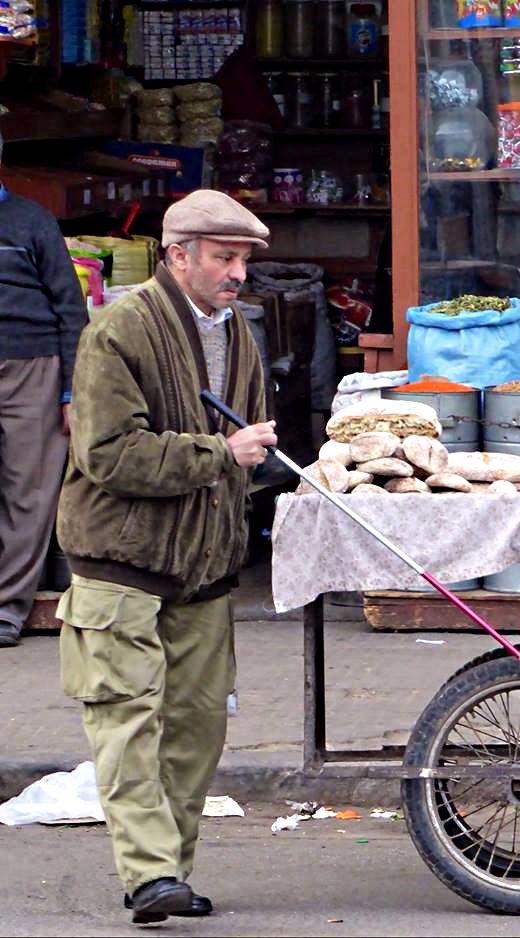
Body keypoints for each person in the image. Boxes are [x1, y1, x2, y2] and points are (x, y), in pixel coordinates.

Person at [55, 189, 278, 923]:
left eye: (244, 259)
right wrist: (221, 454)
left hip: (204, 569)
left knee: (197, 726)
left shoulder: (237, 331)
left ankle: (169, 872)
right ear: (175, 254)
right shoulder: (119, 330)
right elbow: (108, 454)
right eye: (223, 258)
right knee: (127, 720)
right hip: (121, 564)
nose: (237, 273)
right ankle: (150, 875)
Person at [0, 129, 87, 648]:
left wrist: (72, 391)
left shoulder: (32, 220)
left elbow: (70, 308)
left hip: (32, 365)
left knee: (28, 490)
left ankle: (7, 608)